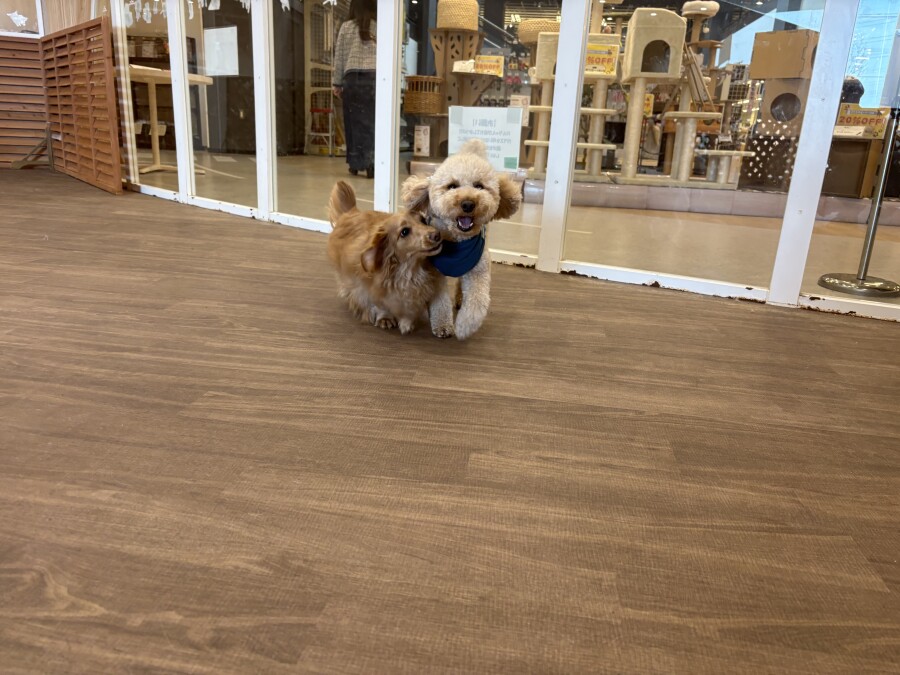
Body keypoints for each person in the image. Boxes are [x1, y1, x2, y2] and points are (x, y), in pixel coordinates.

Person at [332, 0, 377, 179]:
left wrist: (337, 83)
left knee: (353, 123)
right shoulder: (379, 26)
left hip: (352, 80)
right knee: (372, 122)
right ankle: (372, 163)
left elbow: (339, 57)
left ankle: (355, 163)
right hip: (374, 79)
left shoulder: (346, 27)